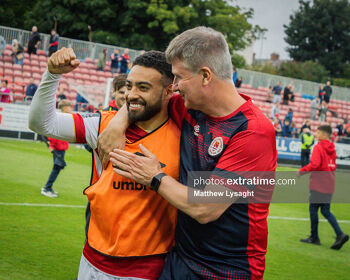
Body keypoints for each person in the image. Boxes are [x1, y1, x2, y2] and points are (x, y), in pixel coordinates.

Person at [103, 26, 277, 279]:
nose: (173, 87)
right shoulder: (189, 107)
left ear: (205, 76)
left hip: (226, 270)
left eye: (179, 77)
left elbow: (205, 209)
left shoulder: (253, 131)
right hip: (179, 258)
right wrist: (118, 124)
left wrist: (155, 177)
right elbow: (144, 101)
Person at [29, 48, 180, 279]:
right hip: (91, 260)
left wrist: (158, 179)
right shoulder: (103, 125)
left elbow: (217, 193)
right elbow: (42, 124)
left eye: (143, 87)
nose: (131, 94)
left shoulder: (185, 137)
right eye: (129, 86)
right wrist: (52, 75)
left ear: (169, 90)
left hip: (145, 268)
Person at [299, 125, 349, 250]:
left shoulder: (318, 147)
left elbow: (315, 164)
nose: (316, 134)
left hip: (319, 183)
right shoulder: (332, 148)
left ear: (324, 134)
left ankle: (314, 237)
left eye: (318, 132)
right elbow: (333, 165)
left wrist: (302, 171)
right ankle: (340, 234)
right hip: (329, 182)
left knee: (313, 209)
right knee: (325, 210)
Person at [41, 99, 73, 198]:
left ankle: (48, 187)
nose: (71, 110)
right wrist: (52, 146)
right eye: (69, 108)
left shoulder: (66, 118)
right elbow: (53, 134)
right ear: (64, 108)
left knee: (57, 168)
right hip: (57, 149)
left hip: (61, 149)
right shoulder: (59, 119)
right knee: (56, 168)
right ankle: (47, 188)